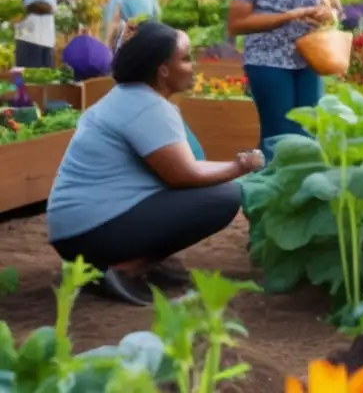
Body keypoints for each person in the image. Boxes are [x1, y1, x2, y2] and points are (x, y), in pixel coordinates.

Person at [46, 21, 263, 306]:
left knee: (219, 187)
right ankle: (124, 269)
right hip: (90, 232)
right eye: (185, 59)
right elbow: (183, 175)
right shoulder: (146, 107)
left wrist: (238, 165)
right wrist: (240, 168)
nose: (193, 65)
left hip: (75, 230)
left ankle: (141, 262)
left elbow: (188, 165)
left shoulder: (131, 97)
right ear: (162, 69)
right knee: (223, 197)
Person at [227, 0, 342, 160]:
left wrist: (326, 13)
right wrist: (291, 15)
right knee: (278, 134)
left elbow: (335, 7)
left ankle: (302, 193)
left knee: (308, 131)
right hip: (268, 63)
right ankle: (268, 192)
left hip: (310, 59)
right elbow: (236, 24)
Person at [15, 0, 57, 68]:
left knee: (21, 78)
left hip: (27, 42)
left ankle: (18, 85)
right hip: (47, 42)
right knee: (46, 78)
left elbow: (18, 20)